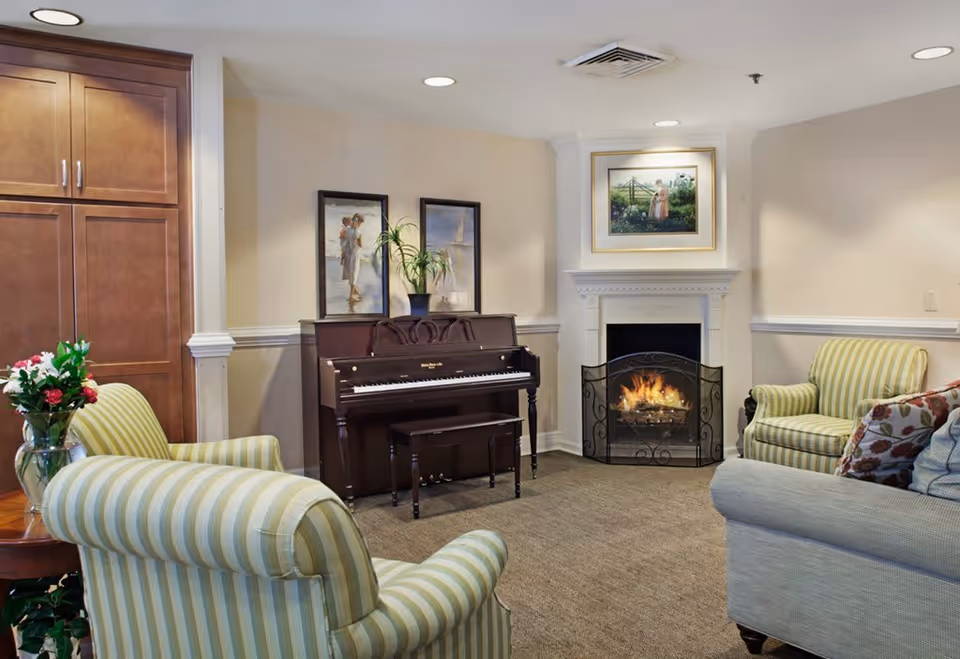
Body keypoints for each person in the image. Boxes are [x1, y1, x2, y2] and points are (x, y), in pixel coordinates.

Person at [343, 214, 364, 302]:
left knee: (351, 274)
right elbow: (361, 245)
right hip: (355, 255)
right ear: (358, 222)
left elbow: (346, 242)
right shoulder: (358, 233)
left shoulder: (347, 230)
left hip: (348, 254)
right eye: (360, 223)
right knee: (354, 275)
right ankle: (351, 296)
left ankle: (357, 292)